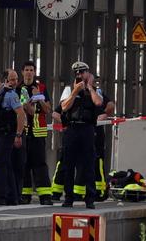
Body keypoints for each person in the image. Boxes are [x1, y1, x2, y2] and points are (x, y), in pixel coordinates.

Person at [59, 61, 102, 209]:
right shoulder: (68, 90)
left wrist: (89, 87)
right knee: (68, 165)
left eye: (82, 72)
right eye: (77, 73)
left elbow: (98, 103)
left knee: (89, 164)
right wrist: (75, 92)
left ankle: (90, 199)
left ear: (88, 74)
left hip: (87, 130)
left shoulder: (94, 90)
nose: (79, 75)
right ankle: (68, 198)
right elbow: (64, 107)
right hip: (72, 130)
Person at [0, 69, 26, 206]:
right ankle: (11, 197)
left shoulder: (10, 95)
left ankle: (0, 195)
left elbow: (21, 114)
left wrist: (18, 134)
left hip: (7, 135)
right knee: (5, 165)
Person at [17, 61, 53, 205]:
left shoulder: (41, 87)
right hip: (24, 131)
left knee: (40, 164)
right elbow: (23, 109)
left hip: (38, 131)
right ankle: (25, 194)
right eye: (26, 70)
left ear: (35, 72)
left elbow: (47, 109)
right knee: (24, 163)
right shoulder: (18, 88)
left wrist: (39, 97)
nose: (29, 72)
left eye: (31, 70)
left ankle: (45, 195)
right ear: (22, 72)